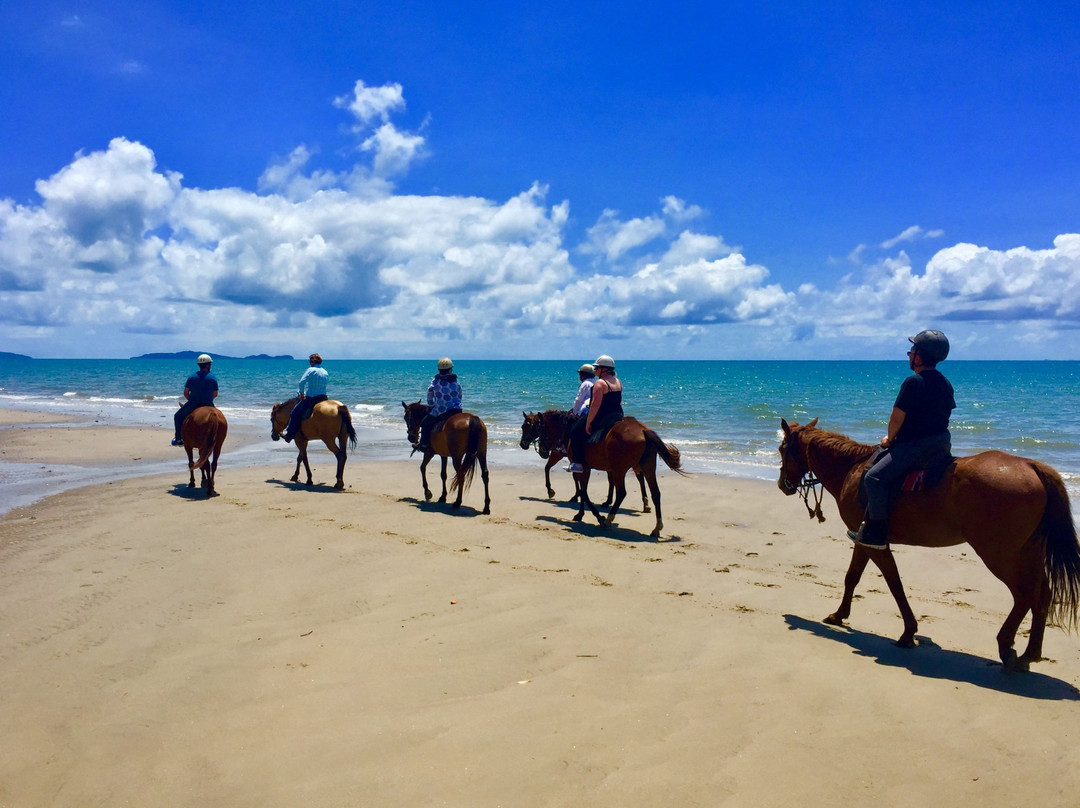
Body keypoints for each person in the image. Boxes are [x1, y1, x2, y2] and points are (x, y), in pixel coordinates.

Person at [848, 330, 955, 549]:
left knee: (873, 479)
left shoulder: (913, 382)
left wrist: (889, 439)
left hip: (916, 446)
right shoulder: (946, 384)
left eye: (912, 351)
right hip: (942, 443)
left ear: (920, 356)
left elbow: (897, 417)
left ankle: (877, 533)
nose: (909, 355)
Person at [568, 354, 623, 473]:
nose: (595, 370)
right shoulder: (617, 381)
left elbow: (595, 405)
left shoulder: (600, 383)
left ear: (604, 369)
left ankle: (577, 463)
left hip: (603, 415)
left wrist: (588, 422)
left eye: (597, 368)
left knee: (575, 431)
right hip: (618, 414)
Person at [415, 357, 462, 452]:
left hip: (441, 409)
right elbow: (460, 393)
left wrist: (431, 405)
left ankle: (423, 445)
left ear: (439, 370)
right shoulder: (455, 380)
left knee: (425, 423)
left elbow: (429, 393)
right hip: (457, 409)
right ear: (450, 369)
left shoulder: (435, 381)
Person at [172, 354, 218, 445]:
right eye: (210, 364)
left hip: (193, 404)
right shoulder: (213, 377)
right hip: (208, 404)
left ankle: (178, 439)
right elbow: (215, 394)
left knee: (177, 416)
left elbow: (185, 393)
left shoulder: (192, 377)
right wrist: (207, 399)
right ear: (208, 365)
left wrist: (192, 400)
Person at [282, 353, 329, 443]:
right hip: (324, 398)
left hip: (312, 398)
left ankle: (289, 435)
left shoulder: (311, 370)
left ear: (312, 361)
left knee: (294, 413)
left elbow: (301, 382)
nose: (309, 363)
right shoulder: (325, 372)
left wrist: (302, 394)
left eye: (310, 361)